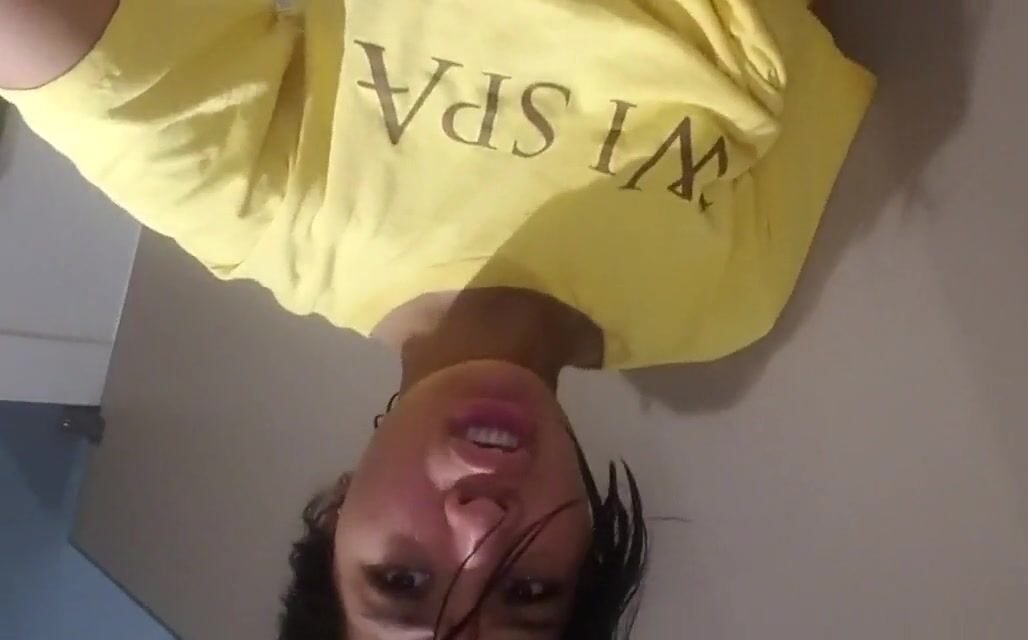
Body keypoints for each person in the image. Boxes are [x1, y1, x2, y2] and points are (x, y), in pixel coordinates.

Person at [0, 0, 873, 637]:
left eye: (403, 581)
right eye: (529, 594)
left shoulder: (272, 212)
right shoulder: (723, 302)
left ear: (334, 517)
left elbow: (74, 59)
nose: (482, 527)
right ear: (584, 559)